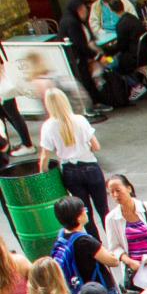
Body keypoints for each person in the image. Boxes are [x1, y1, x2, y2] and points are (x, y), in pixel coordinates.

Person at [34, 90, 105, 230]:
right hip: (91, 167)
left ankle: (95, 245)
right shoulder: (80, 120)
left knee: (84, 213)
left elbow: (44, 156)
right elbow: (96, 146)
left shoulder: (48, 126)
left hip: (70, 172)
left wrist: (44, 172)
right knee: (103, 209)